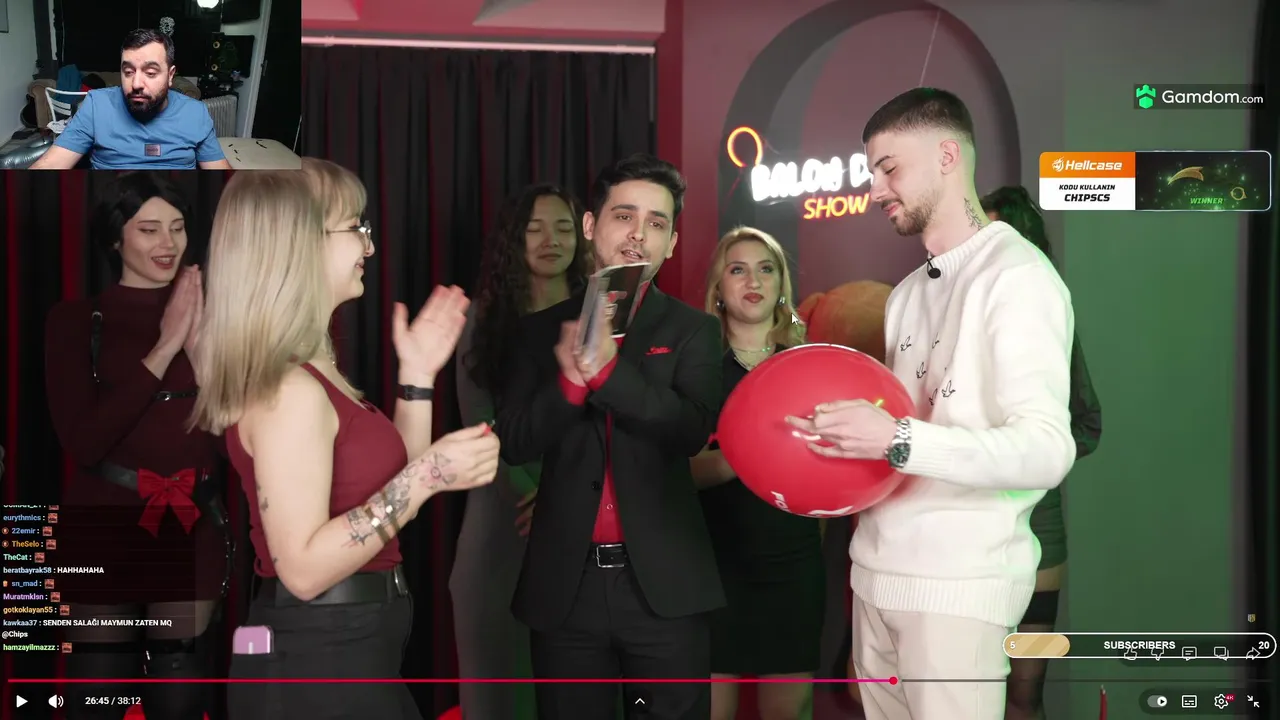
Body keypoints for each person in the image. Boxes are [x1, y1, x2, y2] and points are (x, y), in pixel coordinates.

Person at [785, 88, 1076, 720]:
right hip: (874, 575)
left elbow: (1047, 449)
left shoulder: (1018, 276)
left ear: (948, 156)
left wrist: (897, 439)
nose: (876, 190)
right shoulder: (907, 293)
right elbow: (903, 431)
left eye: (889, 168)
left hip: (959, 589)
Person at [190, 159, 500, 719]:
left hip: (348, 648)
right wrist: (429, 475)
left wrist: (417, 377)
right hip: (316, 657)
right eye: (355, 227)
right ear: (297, 243)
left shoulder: (314, 370)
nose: (370, 246)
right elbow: (304, 570)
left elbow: (387, 494)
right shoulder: (290, 388)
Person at [495, 153, 725, 720]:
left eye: (656, 223)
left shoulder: (693, 330)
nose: (638, 235)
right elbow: (515, 441)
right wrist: (571, 384)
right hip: (565, 590)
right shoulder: (536, 332)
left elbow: (691, 430)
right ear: (591, 226)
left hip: (663, 590)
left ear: (671, 242)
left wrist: (606, 375)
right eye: (624, 216)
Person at [43, 172, 230, 720]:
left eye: (177, 227)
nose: (168, 243)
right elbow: (84, 442)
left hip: (191, 527)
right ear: (114, 237)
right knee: (97, 694)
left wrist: (199, 351)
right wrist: (166, 345)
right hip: (103, 529)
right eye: (149, 229)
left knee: (180, 694)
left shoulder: (214, 315)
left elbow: (234, 438)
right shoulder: (75, 321)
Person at [451, 183, 591, 719]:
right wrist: (535, 496)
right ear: (513, 239)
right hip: (503, 527)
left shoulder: (602, 319)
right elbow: (480, 428)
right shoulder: (483, 322)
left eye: (563, 227)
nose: (551, 240)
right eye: (535, 228)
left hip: (584, 525)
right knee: (501, 695)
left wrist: (564, 500)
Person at [691, 227, 823, 720]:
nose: (754, 281)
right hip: (712, 566)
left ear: (781, 284)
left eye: (766, 269)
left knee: (789, 711)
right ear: (719, 289)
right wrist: (740, 459)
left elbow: (830, 473)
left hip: (792, 563)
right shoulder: (696, 367)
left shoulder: (808, 365)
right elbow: (671, 473)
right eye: (738, 269)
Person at [981, 185, 1102, 720]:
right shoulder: (947, 314)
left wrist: (1033, 453)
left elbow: (1088, 422)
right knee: (971, 689)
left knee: (1026, 694)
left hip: (1040, 527)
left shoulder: (1047, 317)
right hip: (969, 527)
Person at [30, 29, 230, 170]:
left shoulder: (195, 112)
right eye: (128, 72)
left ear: (170, 76)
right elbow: (50, 164)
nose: (136, 84)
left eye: (150, 73)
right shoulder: (96, 105)